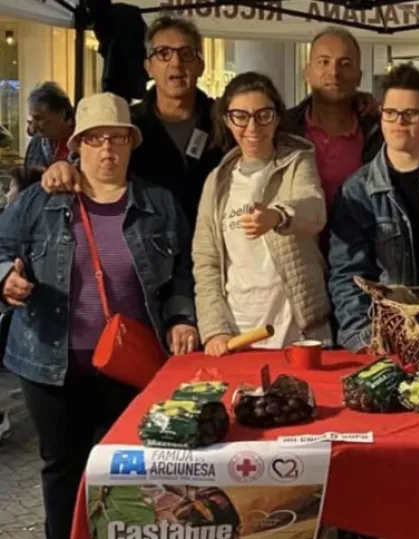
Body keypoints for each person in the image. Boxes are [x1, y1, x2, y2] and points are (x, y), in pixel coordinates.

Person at [0, 92, 197, 539]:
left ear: (131, 143)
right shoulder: (38, 201)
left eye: (117, 139)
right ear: (77, 145)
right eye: (95, 139)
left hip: (131, 365)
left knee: (129, 467)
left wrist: (182, 316)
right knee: (62, 467)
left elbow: (184, 272)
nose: (107, 150)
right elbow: (2, 248)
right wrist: (3, 280)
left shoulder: (160, 204)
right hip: (50, 363)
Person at [329, 65, 419, 352]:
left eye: (410, 114)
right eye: (390, 113)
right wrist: (364, 340)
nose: (399, 122)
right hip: (399, 334)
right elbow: (348, 275)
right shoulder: (357, 191)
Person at [41, 15, 224, 229]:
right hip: (145, 246)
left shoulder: (223, 120)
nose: (176, 63)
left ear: (201, 65)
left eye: (186, 53)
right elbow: (90, 161)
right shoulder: (127, 123)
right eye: (163, 53)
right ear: (148, 67)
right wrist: (63, 167)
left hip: (215, 247)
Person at [194, 72, 331, 357]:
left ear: (277, 117)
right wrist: (214, 329)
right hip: (239, 334)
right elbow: (206, 261)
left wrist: (278, 215)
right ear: (227, 120)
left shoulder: (298, 162)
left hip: (298, 331)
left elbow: (314, 208)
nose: (252, 127)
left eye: (263, 115)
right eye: (240, 116)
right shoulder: (217, 181)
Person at [285, 26, 384, 255]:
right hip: (298, 255)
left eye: (345, 63)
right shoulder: (283, 129)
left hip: (361, 256)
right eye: (324, 62)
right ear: (307, 72)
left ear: (359, 76)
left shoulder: (380, 133)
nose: (334, 72)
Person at [23, 82, 75, 171]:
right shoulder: (37, 142)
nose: (34, 126)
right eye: (32, 118)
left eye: (39, 118)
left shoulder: (84, 142)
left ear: (62, 114)